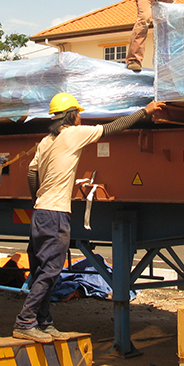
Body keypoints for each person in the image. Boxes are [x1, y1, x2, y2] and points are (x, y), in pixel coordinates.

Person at [13, 92, 165, 343]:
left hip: (41, 212)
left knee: (42, 268)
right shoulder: (73, 134)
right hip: (56, 214)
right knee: (51, 269)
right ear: (71, 116)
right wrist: (145, 111)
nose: (81, 117)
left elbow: (31, 174)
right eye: (79, 113)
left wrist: (36, 200)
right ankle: (25, 321)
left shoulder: (45, 141)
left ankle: (43, 321)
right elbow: (113, 127)